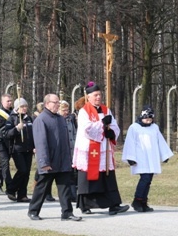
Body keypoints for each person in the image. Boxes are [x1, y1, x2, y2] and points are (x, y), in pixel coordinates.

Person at [73, 81, 129, 215]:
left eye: (100, 95)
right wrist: (102, 124)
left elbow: (114, 125)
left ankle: (114, 204)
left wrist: (111, 132)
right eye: (96, 95)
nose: (98, 97)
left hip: (104, 148)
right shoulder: (83, 111)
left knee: (107, 176)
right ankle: (85, 205)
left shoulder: (106, 109)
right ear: (88, 96)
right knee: (88, 177)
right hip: (89, 149)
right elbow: (87, 129)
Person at [27, 94, 81, 221]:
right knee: (42, 188)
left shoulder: (61, 119)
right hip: (49, 161)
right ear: (47, 104)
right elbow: (41, 143)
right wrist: (44, 162)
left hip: (63, 160)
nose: (58, 105)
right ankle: (33, 211)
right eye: (55, 102)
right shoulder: (41, 120)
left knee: (64, 188)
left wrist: (69, 157)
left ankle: (67, 212)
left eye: (58, 102)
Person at [122, 105, 173, 212]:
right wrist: (130, 157)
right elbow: (130, 143)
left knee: (148, 180)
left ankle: (143, 202)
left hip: (152, 157)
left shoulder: (154, 127)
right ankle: (137, 201)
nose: (148, 120)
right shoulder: (134, 127)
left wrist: (164, 155)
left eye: (150, 119)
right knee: (144, 179)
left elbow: (160, 141)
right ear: (141, 117)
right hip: (140, 158)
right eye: (146, 118)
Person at [2, 98, 35, 202]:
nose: (24, 108)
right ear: (17, 108)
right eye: (22, 107)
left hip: (28, 149)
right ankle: (11, 189)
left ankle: (22, 194)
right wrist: (16, 129)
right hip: (17, 149)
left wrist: (34, 146)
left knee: (27, 173)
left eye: (25, 106)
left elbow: (32, 133)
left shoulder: (29, 118)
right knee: (22, 170)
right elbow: (7, 134)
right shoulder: (11, 119)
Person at [58, 100, 78, 201]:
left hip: (71, 149)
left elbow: (74, 133)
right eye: (63, 110)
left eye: (67, 110)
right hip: (62, 151)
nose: (66, 112)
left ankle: (73, 194)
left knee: (72, 173)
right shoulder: (57, 120)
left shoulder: (70, 119)